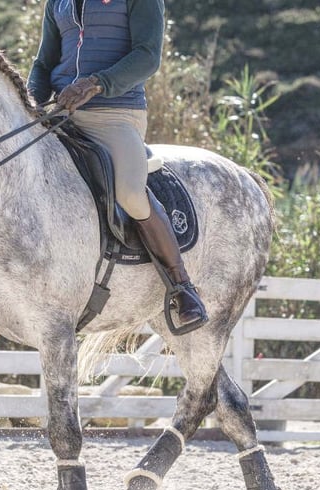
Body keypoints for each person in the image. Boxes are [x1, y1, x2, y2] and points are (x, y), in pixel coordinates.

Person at [27, 0, 207, 327]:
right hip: (60, 113)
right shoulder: (58, 2)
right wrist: (31, 104)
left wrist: (96, 83)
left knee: (129, 193)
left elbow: (148, 56)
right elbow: (43, 63)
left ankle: (181, 286)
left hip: (114, 113)